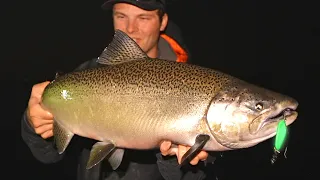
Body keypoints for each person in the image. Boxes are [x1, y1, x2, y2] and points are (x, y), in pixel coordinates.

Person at [21, 0, 217, 179]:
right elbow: (48, 155)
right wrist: (32, 124)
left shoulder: (198, 92)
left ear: (163, 21)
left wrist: (174, 163)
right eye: (121, 16)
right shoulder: (83, 75)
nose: (131, 29)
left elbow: (200, 175)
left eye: (143, 17)